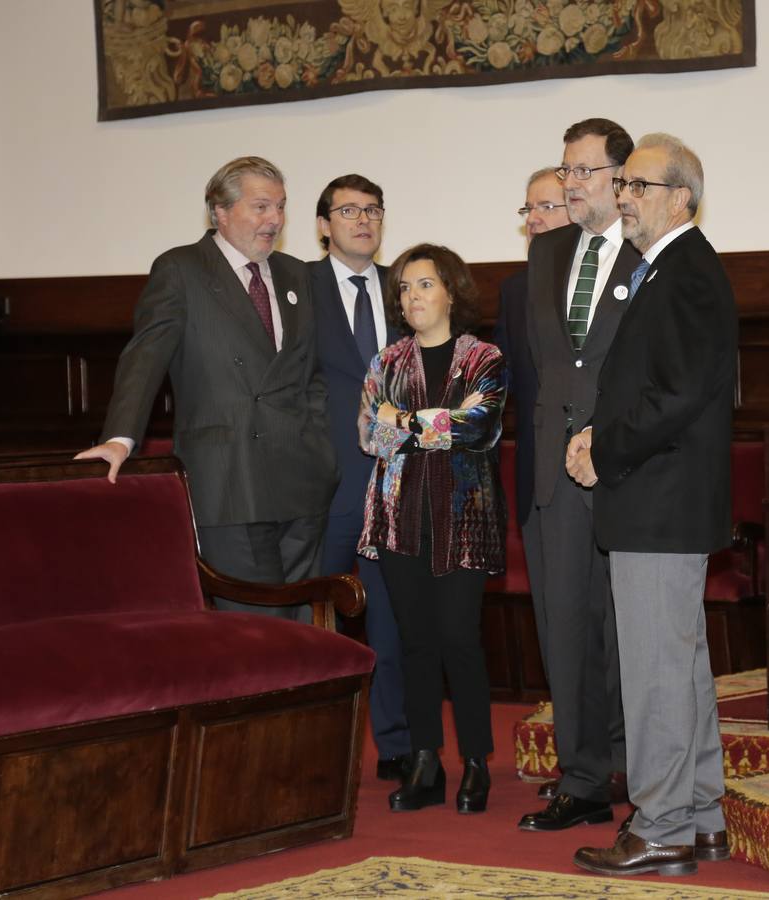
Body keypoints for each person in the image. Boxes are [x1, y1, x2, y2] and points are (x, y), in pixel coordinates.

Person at [566, 133, 737, 877]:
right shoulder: (667, 269)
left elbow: (676, 395)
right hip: (661, 500)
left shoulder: (685, 271)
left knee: (656, 672)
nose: (624, 196)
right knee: (680, 666)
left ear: (680, 197)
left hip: (658, 502)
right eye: (624, 184)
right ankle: (699, 817)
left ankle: (661, 825)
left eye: (637, 184)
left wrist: (604, 450)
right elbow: (659, 387)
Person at [77, 156, 336, 623]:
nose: (274, 219)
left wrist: (321, 446)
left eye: (279, 206)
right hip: (229, 480)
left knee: (305, 635)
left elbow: (310, 373)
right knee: (257, 632)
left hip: (301, 479)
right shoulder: (181, 269)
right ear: (219, 210)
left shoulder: (296, 273)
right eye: (260, 207)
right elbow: (145, 357)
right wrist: (120, 437)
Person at [517, 118, 640, 833]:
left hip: (625, 465)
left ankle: (636, 766)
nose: (571, 183)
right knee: (565, 628)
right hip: (552, 475)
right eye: (566, 171)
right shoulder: (549, 251)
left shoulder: (648, 251)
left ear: (620, 178)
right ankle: (584, 777)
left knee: (630, 632)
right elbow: (547, 361)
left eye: (585, 171)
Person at [358, 243, 506, 815]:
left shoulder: (484, 358)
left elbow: (478, 427)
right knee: (414, 642)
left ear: (451, 291)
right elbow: (371, 435)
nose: (412, 296)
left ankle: (475, 762)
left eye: (423, 284)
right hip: (400, 519)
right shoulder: (386, 361)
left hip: (464, 521)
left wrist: (406, 420)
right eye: (404, 287)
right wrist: (424, 423)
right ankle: (425, 762)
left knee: (459, 641)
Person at [308, 174, 411, 781]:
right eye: (348, 210)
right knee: (313, 614)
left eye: (372, 208)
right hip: (327, 482)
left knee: (393, 621)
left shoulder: (407, 287)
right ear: (324, 225)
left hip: (398, 483)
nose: (363, 220)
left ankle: (395, 745)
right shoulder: (296, 287)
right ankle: (316, 739)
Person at [492, 167, 570, 532]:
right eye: (528, 209)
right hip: (534, 477)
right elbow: (498, 384)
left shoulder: (604, 285)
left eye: (546, 207)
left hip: (591, 476)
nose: (533, 219)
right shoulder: (514, 291)